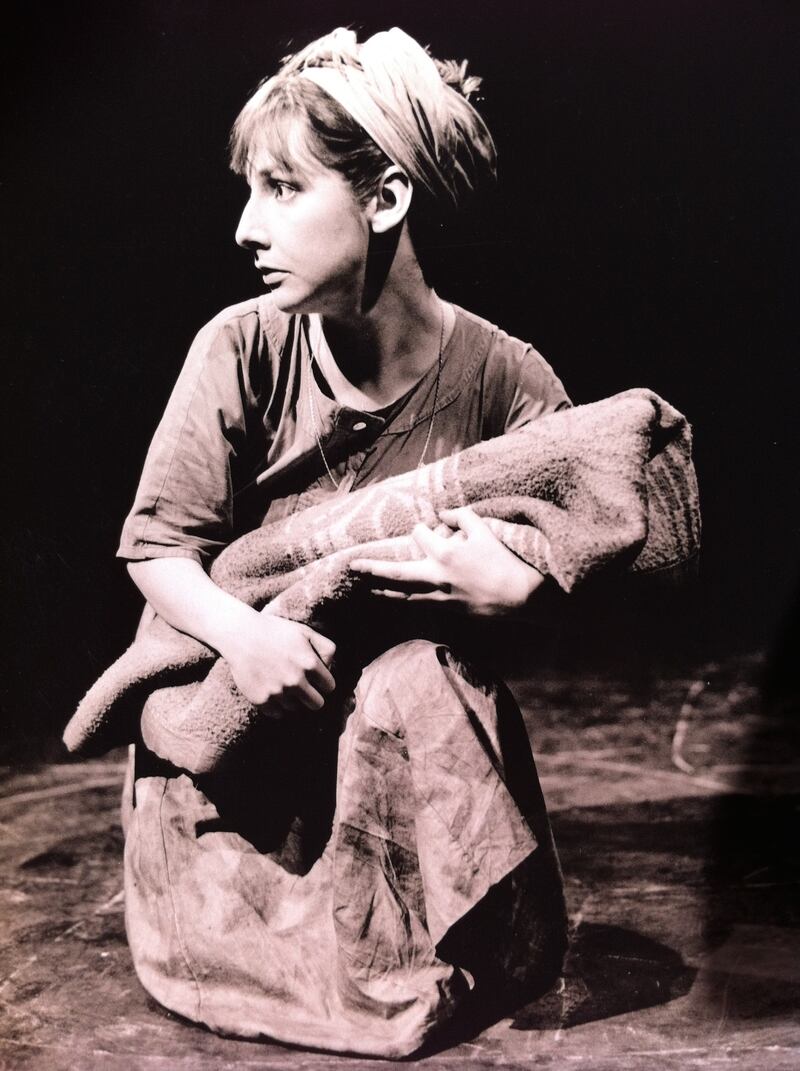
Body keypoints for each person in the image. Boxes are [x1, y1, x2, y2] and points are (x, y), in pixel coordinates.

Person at [118, 27, 571, 1058]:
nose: (246, 226)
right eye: (248, 189)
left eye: (282, 188)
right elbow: (158, 553)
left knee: (416, 676)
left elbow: (566, 539)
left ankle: (426, 946)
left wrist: (517, 587)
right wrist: (248, 641)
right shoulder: (239, 348)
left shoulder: (505, 380)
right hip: (253, 722)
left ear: (384, 199)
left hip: (392, 757)